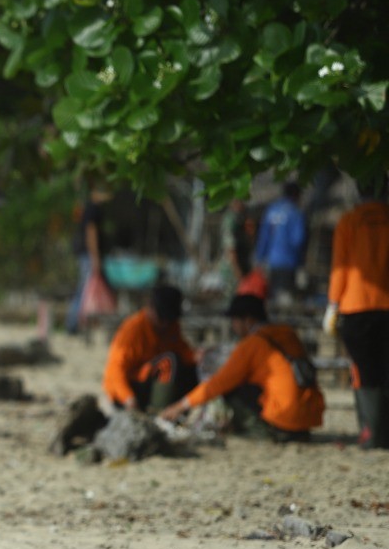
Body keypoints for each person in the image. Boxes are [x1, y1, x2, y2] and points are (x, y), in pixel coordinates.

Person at [161, 294, 324, 442]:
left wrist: (179, 407)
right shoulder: (288, 333)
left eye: (234, 321)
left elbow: (218, 383)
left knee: (230, 388)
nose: (233, 326)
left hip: (284, 421)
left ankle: (262, 430)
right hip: (308, 419)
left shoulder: (252, 343)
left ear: (248, 320)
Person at [326, 177, 389, 449]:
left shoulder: (349, 221)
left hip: (355, 306)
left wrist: (332, 304)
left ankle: (371, 433)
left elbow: (340, 266)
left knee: (363, 370)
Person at [102, 285, 199, 412]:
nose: (165, 324)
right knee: (169, 361)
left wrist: (196, 356)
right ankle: (159, 412)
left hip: (152, 382)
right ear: (150, 308)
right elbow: (115, 371)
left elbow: (181, 350)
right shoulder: (133, 330)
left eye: (169, 319)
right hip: (127, 391)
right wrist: (129, 399)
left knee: (190, 368)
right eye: (162, 318)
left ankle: (181, 409)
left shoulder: (170, 326)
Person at [65, 181, 111, 335]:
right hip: (88, 254)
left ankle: (75, 324)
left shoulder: (89, 207)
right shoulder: (93, 208)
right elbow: (91, 232)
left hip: (86, 254)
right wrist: (95, 257)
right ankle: (72, 324)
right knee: (84, 289)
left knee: (83, 289)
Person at [253, 181, 307, 304]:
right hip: (289, 262)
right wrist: (300, 261)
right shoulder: (295, 213)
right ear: (296, 195)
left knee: (272, 296)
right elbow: (298, 240)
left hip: (271, 261)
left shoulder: (271, 211)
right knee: (286, 299)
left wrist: (260, 258)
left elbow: (264, 237)